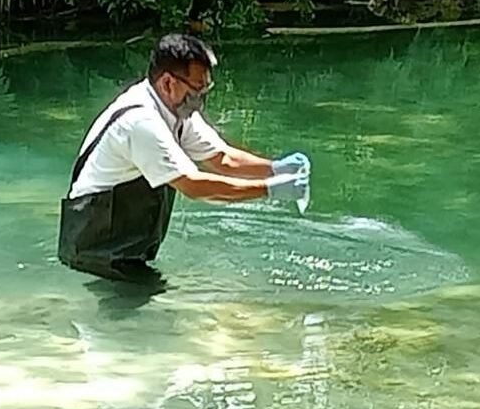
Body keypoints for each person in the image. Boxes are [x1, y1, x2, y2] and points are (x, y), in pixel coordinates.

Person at [57, 33, 311, 283]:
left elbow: (222, 158)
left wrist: (276, 169)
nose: (201, 99)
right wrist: (268, 190)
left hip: (122, 241)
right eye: (198, 89)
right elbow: (193, 185)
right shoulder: (141, 122)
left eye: (206, 88)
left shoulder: (177, 109)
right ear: (168, 83)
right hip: (95, 248)